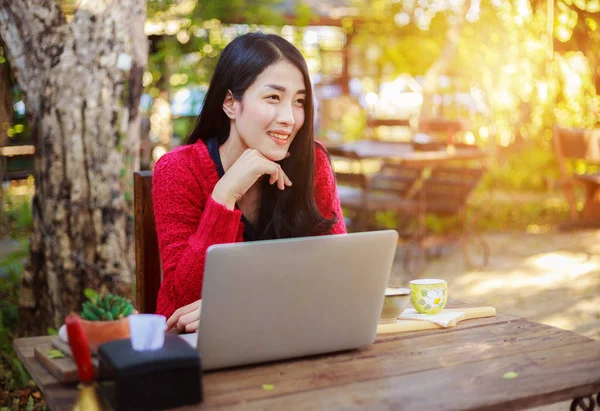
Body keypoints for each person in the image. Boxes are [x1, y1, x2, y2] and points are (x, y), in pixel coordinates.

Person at [152, 32, 347, 333]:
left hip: (291, 340)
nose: (290, 118)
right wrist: (225, 194)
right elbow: (184, 303)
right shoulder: (178, 169)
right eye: (273, 97)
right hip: (197, 355)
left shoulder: (312, 163)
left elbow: (336, 278)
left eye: (299, 102)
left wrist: (240, 306)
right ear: (230, 103)